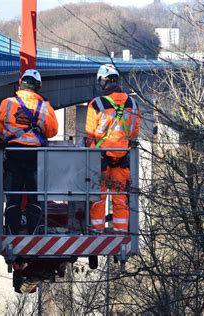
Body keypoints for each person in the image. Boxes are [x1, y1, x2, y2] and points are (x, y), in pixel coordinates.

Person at [0, 69, 59, 234]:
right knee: (34, 196)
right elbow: (52, 131)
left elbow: (0, 126)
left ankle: (12, 230)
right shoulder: (45, 106)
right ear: (37, 86)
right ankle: (33, 230)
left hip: (13, 155)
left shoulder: (7, 103)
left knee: (13, 195)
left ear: (21, 83)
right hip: (34, 157)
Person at [85, 64, 140, 234]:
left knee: (99, 196)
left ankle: (97, 230)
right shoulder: (132, 103)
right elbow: (134, 132)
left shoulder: (96, 104)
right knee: (120, 197)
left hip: (100, 157)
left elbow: (89, 134)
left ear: (103, 82)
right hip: (123, 157)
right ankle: (121, 231)